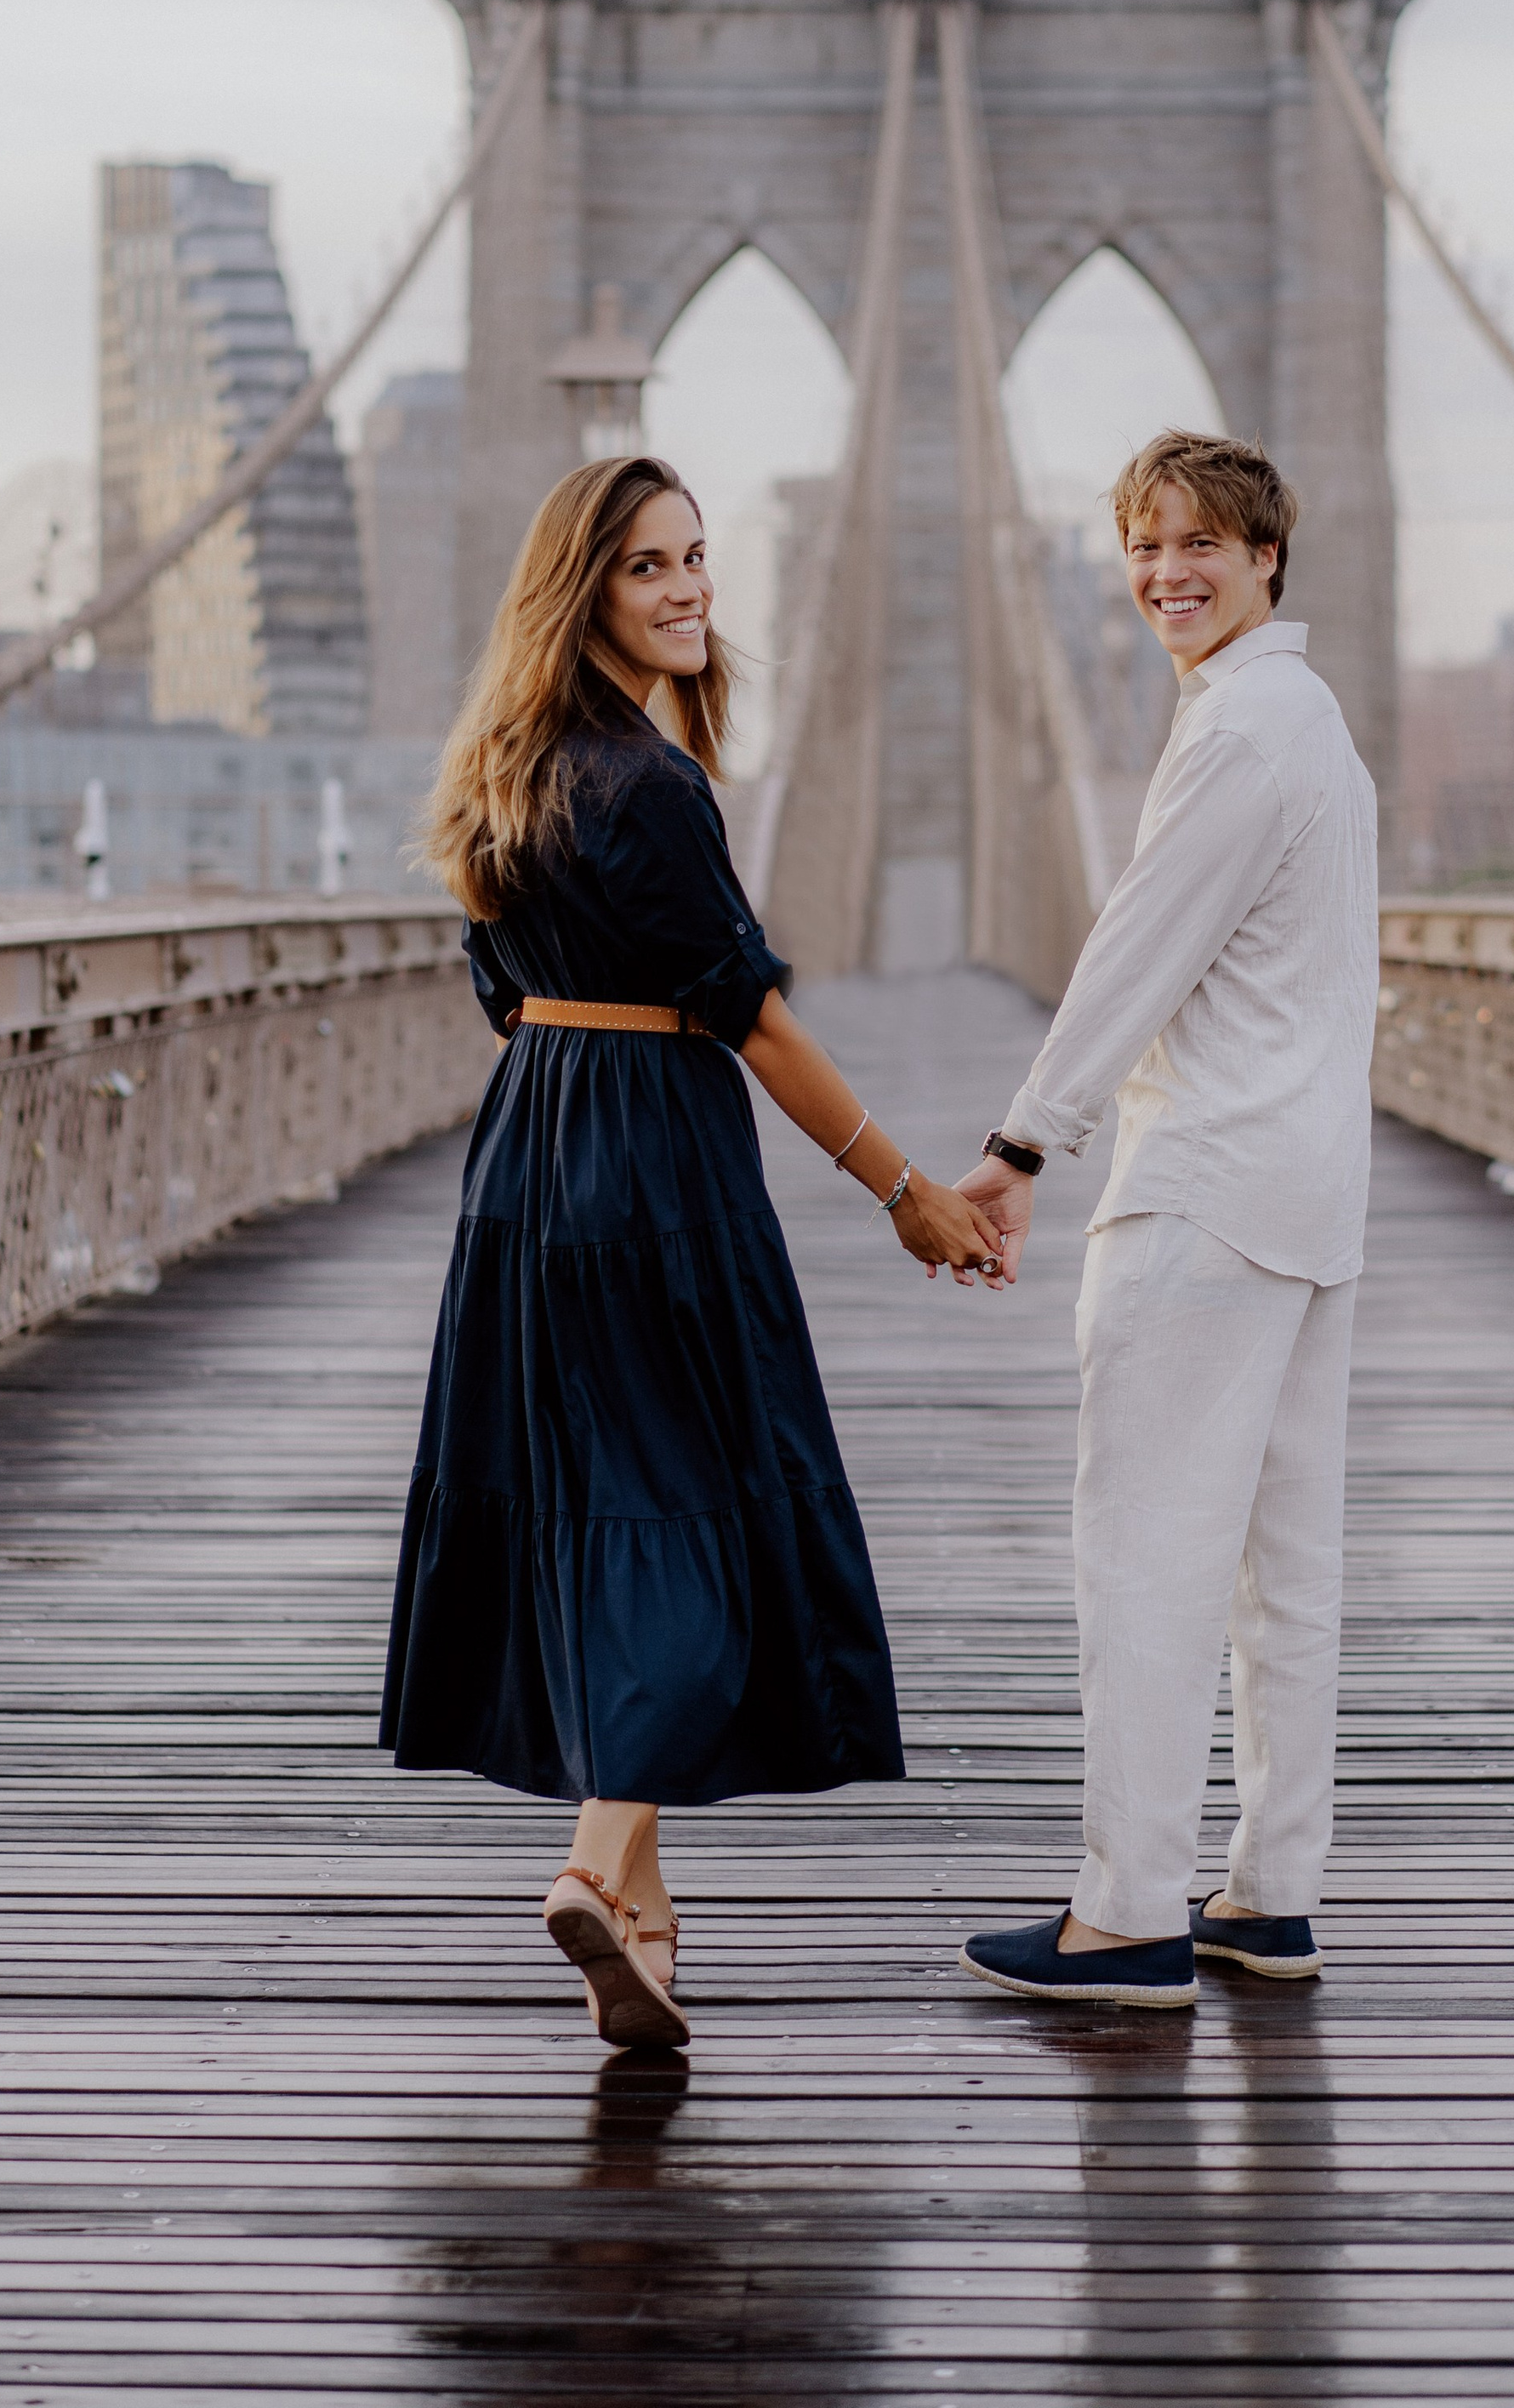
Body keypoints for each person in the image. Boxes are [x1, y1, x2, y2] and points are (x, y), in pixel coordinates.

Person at [380, 453, 1007, 2051]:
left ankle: (643, 1926)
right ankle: (596, 1859)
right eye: (647, 566)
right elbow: (755, 1019)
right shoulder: (651, 786)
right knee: (709, 1508)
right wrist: (904, 1188)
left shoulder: (507, 767)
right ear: (581, 590)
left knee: (611, 1507)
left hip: (531, 1154)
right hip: (654, 1156)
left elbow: (502, 994)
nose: (687, 589)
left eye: (696, 558)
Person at [951, 429, 1377, 2010]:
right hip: (1311, 1198)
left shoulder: (1239, 734)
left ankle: (1126, 1915)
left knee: (1145, 1557)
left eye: (1200, 543)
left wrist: (1023, 1142)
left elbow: (1140, 946)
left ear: (1268, 557)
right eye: (1143, 545)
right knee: (1285, 1572)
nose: (1166, 573)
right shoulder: (1312, 723)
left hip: (1204, 1192)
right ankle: (1270, 1894)